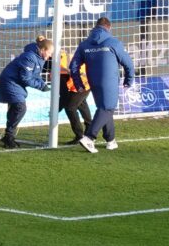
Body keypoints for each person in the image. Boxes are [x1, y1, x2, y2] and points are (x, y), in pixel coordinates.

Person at [71, 16, 134, 152]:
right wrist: (129, 80)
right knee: (107, 108)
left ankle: (111, 140)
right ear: (109, 28)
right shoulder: (113, 42)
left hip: (93, 81)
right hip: (109, 80)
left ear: (95, 27)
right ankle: (89, 138)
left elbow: (73, 66)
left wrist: (78, 83)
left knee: (103, 108)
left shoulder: (84, 44)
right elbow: (128, 63)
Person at [0, 36, 52, 148]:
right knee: (20, 107)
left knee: (15, 108)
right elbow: (25, 78)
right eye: (49, 52)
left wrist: (44, 84)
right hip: (10, 81)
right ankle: (8, 136)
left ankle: (8, 137)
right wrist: (41, 86)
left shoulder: (38, 58)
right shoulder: (29, 57)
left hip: (15, 83)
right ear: (43, 50)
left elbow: (35, 75)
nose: (50, 55)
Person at [57, 48, 93, 144]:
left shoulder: (58, 67)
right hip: (86, 83)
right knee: (81, 104)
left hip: (80, 85)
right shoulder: (64, 56)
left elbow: (64, 95)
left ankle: (80, 136)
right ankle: (90, 131)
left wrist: (56, 109)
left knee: (70, 108)